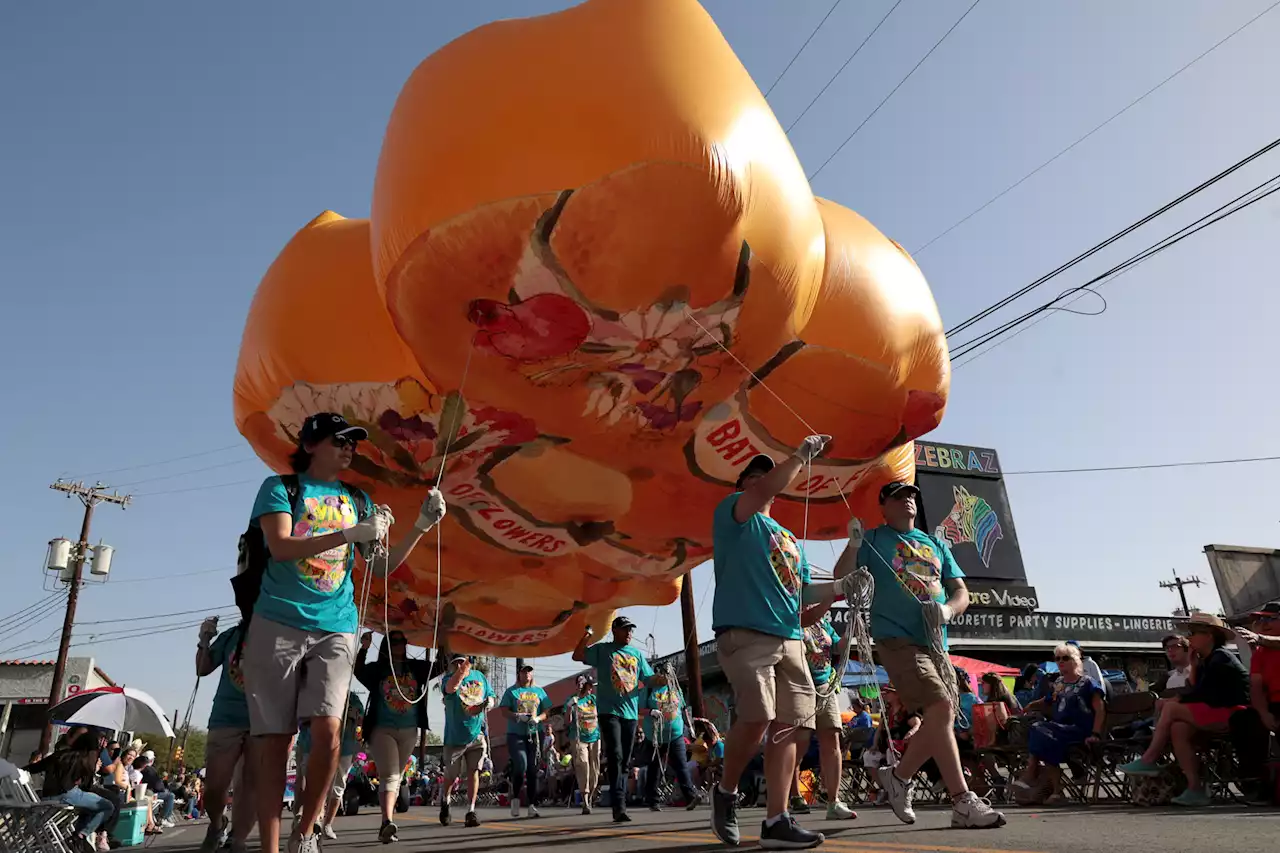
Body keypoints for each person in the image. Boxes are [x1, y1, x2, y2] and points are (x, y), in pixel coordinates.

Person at [241, 412, 446, 853]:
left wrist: (421, 525)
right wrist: (348, 532)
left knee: (331, 733)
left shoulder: (359, 498)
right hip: (277, 621)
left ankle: (305, 833)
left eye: (353, 442)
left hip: (336, 625)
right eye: (340, 440)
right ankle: (271, 847)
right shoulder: (281, 488)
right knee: (275, 741)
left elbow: (383, 564)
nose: (349, 447)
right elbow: (279, 547)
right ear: (312, 444)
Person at [705, 437, 835, 850]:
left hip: (791, 638)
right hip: (744, 632)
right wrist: (799, 455)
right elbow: (763, 490)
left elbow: (806, 595)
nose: (760, 480)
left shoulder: (790, 541)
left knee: (792, 724)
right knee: (758, 715)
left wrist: (843, 585)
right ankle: (725, 792)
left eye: (765, 473)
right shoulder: (734, 513)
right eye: (752, 476)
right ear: (742, 485)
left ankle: (776, 819)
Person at [857, 481, 1005, 829]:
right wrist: (852, 544)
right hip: (897, 639)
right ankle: (962, 800)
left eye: (911, 496)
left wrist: (950, 611)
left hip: (936, 641)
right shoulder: (873, 539)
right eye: (898, 496)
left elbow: (960, 591)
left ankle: (898, 776)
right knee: (941, 707)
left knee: (943, 718)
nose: (908, 500)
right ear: (883, 505)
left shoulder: (935, 542)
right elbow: (841, 575)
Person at [1120, 613, 1250, 806]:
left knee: (1171, 707)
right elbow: (1195, 687)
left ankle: (1149, 758)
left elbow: (1203, 693)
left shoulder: (1221, 657)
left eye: (1194, 633)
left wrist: (1178, 698)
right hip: (1214, 712)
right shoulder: (1206, 660)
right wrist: (1194, 664)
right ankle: (1195, 788)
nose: (1189, 638)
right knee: (1178, 729)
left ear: (1209, 635)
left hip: (1233, 712)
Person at [571, 615, 669, 825]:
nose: (629, 633)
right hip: (609, 712)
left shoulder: (636, 654)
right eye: (625, 629)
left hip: (630, 714)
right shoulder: (603, 650)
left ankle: (619, 800)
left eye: (631, 630)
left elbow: (648, 679)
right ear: (615, 630)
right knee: (615, 755)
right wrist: (588, 634)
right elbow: (578, 655)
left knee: (624, 760)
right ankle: (619, 807)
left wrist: (662, 678)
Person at [355, 629, 441, 844]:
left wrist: (443, 640)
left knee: (397, 777)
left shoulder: (415, 668)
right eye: (394, 642)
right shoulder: (378, 670)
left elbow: (439, 666)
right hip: (382, 729)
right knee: (391, 775)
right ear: (386, 646)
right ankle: (387, 822)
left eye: (402, 641)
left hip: (409, 731)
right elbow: (358, 670)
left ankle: (387, 824)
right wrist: (364, 648)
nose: (399, 645)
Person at [1013, 644, 1105, 804]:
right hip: (1058, 730)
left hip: (1080, 730)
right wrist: (1031, 705)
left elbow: (1100, 709)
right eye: (1057, 658)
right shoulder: (1059, 683)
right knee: (1044, 737)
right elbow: (1047, 701)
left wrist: (1095, 734)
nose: (1060, 661)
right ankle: (1056, 792)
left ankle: (1032, 773)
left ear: (1076, 660)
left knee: (1040, 731)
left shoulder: (1088, 683)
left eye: (1065, 658)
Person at [196, 614, 257, 853]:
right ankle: (217, 822)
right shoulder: (231, 635)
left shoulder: (280, 633)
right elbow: (202, 668)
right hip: (225, 718)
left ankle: (238, 839)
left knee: (250, 784)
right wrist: (204, 640)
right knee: (215, 786)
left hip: (262, 721)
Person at [799, 611, 856, 821]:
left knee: (832, 739)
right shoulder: (793, 615)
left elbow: (838, 646)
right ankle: (792, 795)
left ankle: (834, 801)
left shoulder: (822, 622)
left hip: (825, 685)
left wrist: (850, 630)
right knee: (799, 741)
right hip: (800, 684)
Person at [26, 732, 116, 852]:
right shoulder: (85, 760)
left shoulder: (59, 755)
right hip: (67, 796)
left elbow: (34, 768)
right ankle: (80, 835)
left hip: (47, 797)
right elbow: (87, 786)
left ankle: (79, 837)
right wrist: (95, 769)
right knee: (107, 806)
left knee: (89, 805)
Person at [1230, 600, 1280, 804]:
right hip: (1273, 704)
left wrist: (1259, 638)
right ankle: (1257, 783)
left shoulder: (1265, 643)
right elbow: (1256, 687)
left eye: (1271, 618)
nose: (1265, 622)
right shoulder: (1260, 653)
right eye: (1262, 619)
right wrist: (1263, 713)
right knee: (1242, 719)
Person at [439, 655, 495, 828]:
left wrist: (489, 702)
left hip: (476, 735)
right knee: (452, 776)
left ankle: (471, 811)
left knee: (474, 772)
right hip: (455, 738)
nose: (459, 664)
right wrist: (464, 668)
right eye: (455, 662)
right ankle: (445, 801)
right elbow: (452, 687)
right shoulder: (448, 679)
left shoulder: (479, 677)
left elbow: (490, 695)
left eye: (461, 661)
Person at [638, 675, 701, 813]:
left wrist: (689, 726)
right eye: (662, 673)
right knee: (655, 768)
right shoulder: (649, 690)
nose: (665, 677)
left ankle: (691, 797)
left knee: (681, 766)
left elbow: (683, 708)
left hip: (675, 734)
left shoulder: (675, 689)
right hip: (656, 735)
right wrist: (650, 711)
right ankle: (653, 800)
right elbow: (638, 709)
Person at [499, 663, 552, 818]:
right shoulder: (512, 691)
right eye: (524, 671)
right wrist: (517, 716)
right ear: (519, 674)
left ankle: (532, 805)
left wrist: (538, 718)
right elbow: (503, 710)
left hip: (535, 733)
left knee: (532, 769)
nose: (527, 674)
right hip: (516, 734)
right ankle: (515, 799)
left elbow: (547, 710)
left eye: (529, 671)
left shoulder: (539, 691)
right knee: (521, 765)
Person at [565, 674, 601, 815]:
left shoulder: (593, 699)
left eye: (591, 686)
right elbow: (567, 722)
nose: (590, 689)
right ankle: (585, 799)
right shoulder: (572, 700)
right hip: (579, 738)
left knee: (595, 770)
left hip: (595, 737)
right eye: (588, 686)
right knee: (583, 765)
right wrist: (569, 707)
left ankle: (590, 796)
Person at [137, 752, 176, 828]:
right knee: (170, 796)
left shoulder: (141, 768)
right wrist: (163, 789)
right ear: (151, 760)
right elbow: (158, 786)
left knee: (167, 793)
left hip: (142, 791)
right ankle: (163, 818)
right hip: (150, 793)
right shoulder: (150, 770)